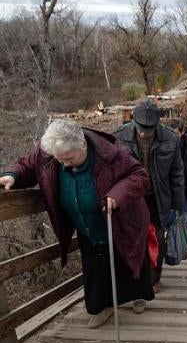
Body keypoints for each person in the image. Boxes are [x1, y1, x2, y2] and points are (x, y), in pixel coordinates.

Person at [0, 119, 154, 328]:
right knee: (95, 267)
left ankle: (138, 296)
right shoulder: (50, 151)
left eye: (69, 159)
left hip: (121, 219)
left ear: (83, 145)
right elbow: (28, 164)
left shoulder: (112, 153)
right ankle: (103, 306)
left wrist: (118, 194)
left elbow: (139, 176)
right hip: (86, 225)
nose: (64, 164)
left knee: (128, 258)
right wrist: (12, 175)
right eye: (60, 160)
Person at [113, 100, 184, 294]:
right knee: (132, 240)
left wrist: (177, 205)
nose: (145, 132)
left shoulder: (170, 139)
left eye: (150, 128)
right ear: (134, 120)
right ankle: (134, 281)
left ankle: (153, 279)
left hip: (157, 199)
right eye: (142, 127)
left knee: (157, 240)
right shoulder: (118, 137)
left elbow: (177, 173)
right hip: (130, 199)